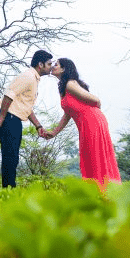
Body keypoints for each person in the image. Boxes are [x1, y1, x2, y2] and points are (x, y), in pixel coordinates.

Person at [41, 58, 121, 189]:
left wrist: (91, 114)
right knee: (89, 156)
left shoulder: (70, 84)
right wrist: (54, 132)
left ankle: (104, 190)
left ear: (64, 69)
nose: (53, 67)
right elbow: (68, 113)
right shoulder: (63, 87)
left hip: (92, 121)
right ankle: (98, 190)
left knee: (95, 156)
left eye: (56, 65)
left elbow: (96, 100)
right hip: (85, 123)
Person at [0, 50, 53, 188]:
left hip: (13, 117)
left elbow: (25, 106)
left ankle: (9, 189)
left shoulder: (34, 78)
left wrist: (38, 126)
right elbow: (9, 95)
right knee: (10, 157)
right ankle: (8, 191)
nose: (51, 67)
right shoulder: (29, 77)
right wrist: (2, 118)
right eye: (49, 64)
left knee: (13, 157)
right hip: (8, 117)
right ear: (40, 64)